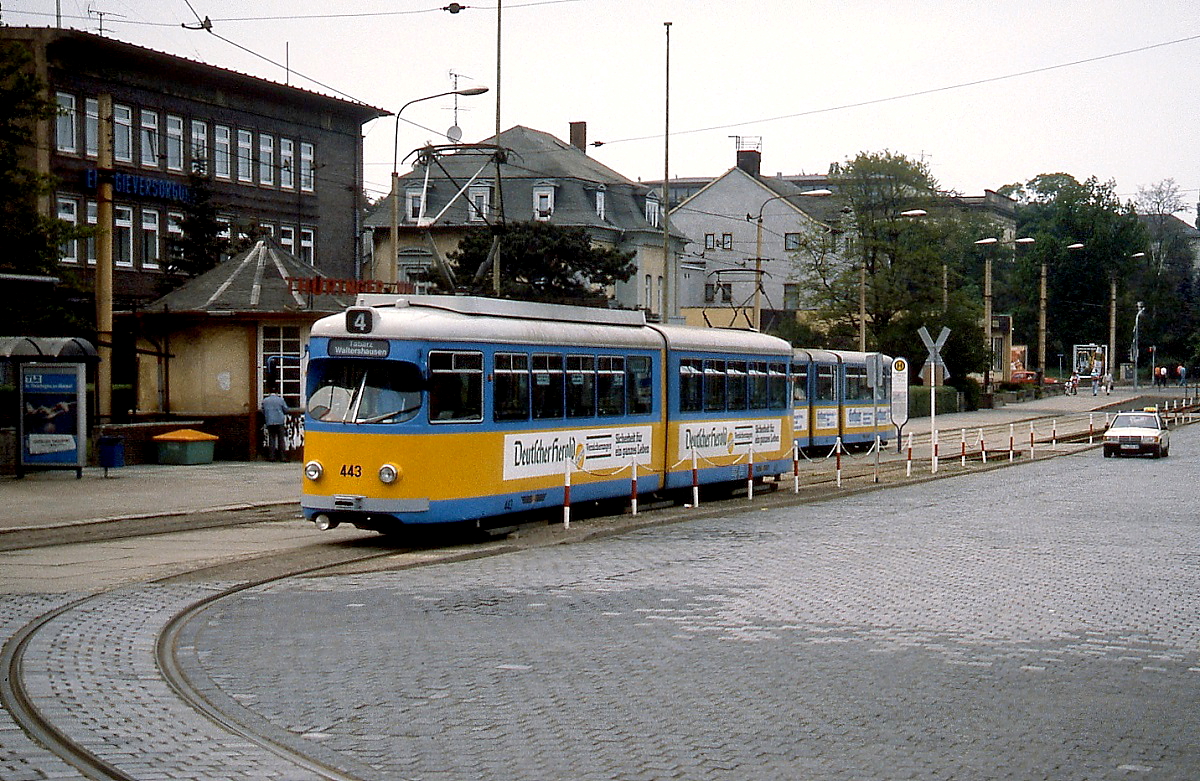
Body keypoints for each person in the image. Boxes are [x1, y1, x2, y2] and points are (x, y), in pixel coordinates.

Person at [261, 391, 289, 461]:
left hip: (269, 421)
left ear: (269, 393)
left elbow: (262, 411)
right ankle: (282, 457)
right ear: (277, 393)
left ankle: (272, 457)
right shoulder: (280, 400)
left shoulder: (265, 401)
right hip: (279, 421)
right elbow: (286, 410)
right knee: (281, 440)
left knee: (271, 439)